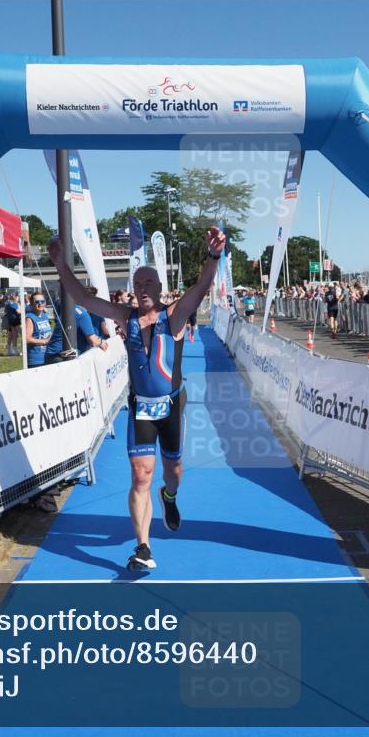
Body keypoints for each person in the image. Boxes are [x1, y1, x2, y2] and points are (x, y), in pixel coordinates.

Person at [48, 227, 225, 571]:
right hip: (141, 408)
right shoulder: (124, 317)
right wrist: (60, 265)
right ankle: (143, 546)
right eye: (137, 285)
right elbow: (83, 300)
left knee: (172, 471)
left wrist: (213, 255)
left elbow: (201, 286)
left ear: (159, 290)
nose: (142, 290)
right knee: (141, 475)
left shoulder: (173, 316)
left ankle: (169, 496)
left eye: (148, 285)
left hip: (171, 406)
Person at [44, 297, 108, 365]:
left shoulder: (70, 308)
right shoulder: (82, 314)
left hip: (52, 356)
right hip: (61, 358)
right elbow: (93, 341)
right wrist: (101, 342)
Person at [25, 292, 52, 368]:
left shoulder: (44, 316)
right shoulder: (30, 318)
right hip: (35, 359)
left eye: (42, 301)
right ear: (31, 304)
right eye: (37, 302)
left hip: (47, 356)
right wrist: (44, 341)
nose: (40, 304)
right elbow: (27, 339)